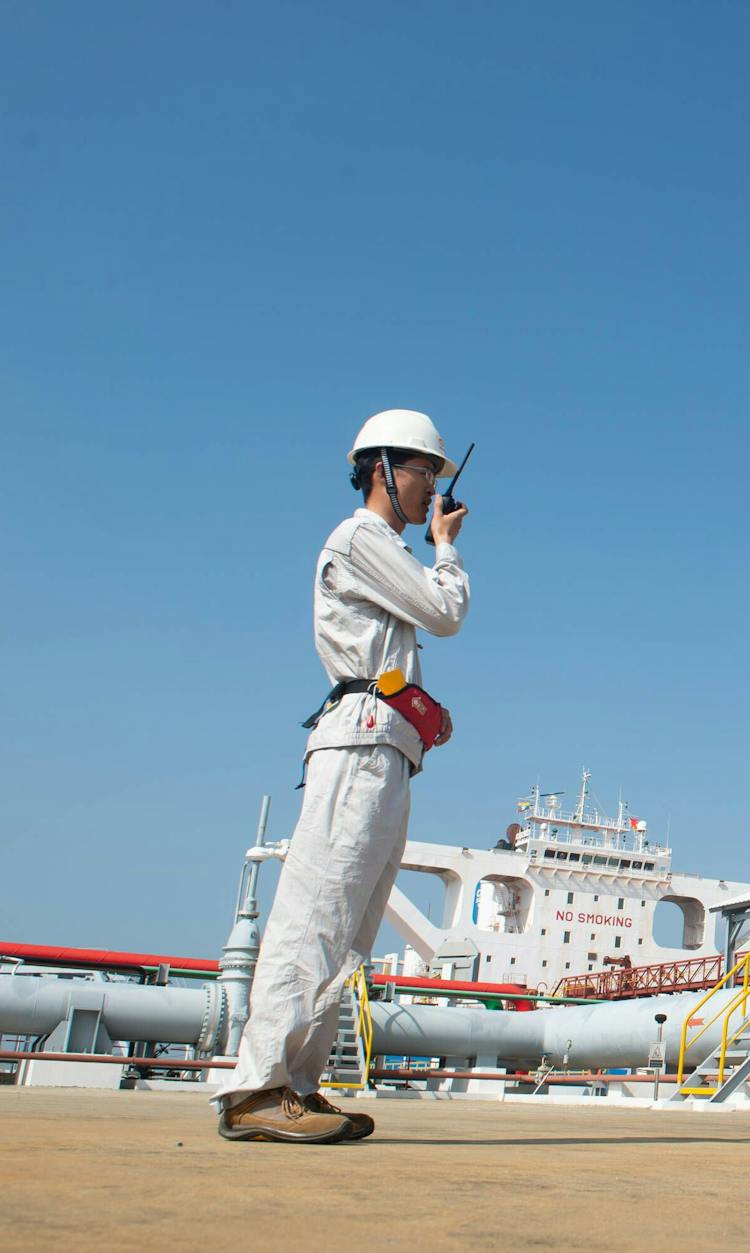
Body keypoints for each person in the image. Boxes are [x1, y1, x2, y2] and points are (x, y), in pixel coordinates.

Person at [216, 409, 470, 1144]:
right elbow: (445, 610)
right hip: (357, 748)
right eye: (426, 472)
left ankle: (296, 1084)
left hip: (383, 745)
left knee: (350, 929)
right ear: (384, 469)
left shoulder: (381, 548)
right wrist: (446, 550)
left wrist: (419, 709)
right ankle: (255, 1085)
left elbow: (392, 652)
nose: (433, 490)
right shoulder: (361, 537)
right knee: (316, 915)